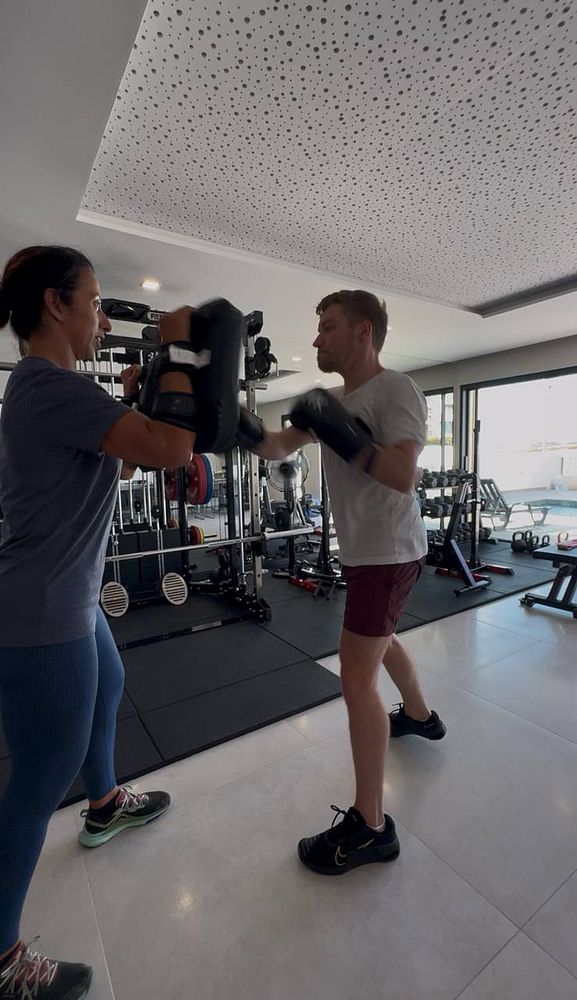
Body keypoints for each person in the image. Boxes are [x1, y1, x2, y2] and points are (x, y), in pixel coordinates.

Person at [0, 245, 239, 999]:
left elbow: (137, 462)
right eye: (96, 301)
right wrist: (172, 351)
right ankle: (1, 961)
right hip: (42, 607)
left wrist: (146, 395)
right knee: (39, 779)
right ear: (55, 304)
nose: (104, 316)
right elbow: (172, 447)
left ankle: (103, 806)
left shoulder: (59, 388)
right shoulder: (44, 385)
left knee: (111, 683)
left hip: (65, 591)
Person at [242, 290, 446, 876]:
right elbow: (277, 446)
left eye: (326, 328)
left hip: (387, 552)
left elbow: (402, 475)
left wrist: (343, 432)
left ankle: (372, 825)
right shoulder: (330, 397)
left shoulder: (395, 390)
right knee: (384, 642)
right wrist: (235, 422)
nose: (315, 339)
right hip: (365, 553)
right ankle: (421, 716)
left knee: (355, 675)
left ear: (363, 332)